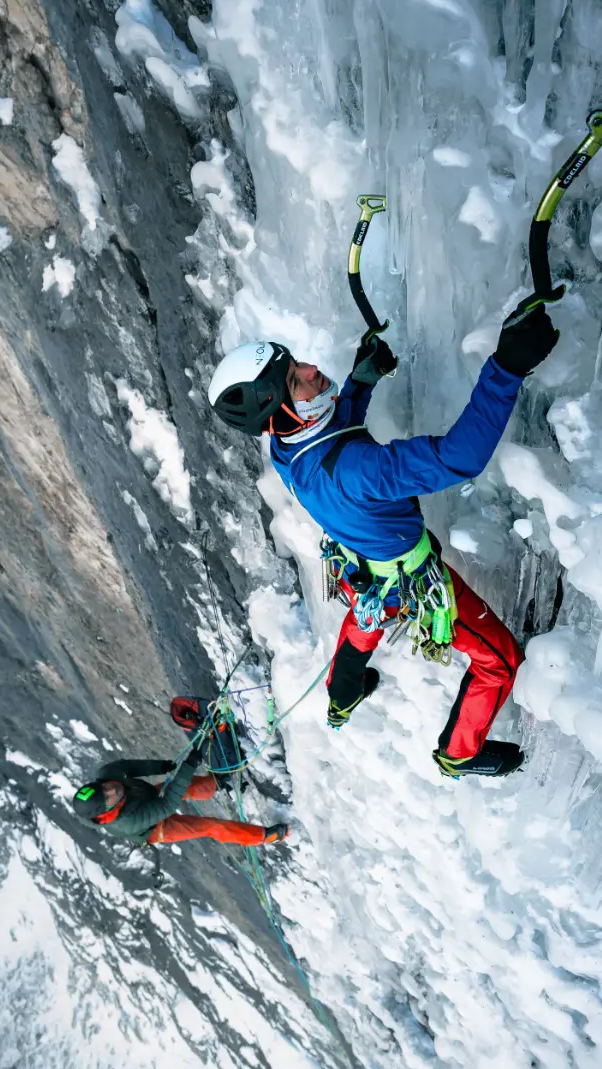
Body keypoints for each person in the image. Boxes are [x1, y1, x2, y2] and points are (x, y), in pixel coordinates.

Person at [206, 303, 557, 777]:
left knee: (363, 624)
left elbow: (334, 428)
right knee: (499, 660)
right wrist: (506, 368)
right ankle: (460, 753)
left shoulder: (286, 446)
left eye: (296, 365)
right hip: (410, 581)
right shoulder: (357, 470)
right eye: (295, 380)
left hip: (362, 569)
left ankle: (342, 697)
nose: (311, 370)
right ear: (280, 411)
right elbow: (459, 457)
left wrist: (361, 381)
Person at [72, 698, 290, 847]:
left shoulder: (108, 774)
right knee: (211, 826)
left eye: (104, 787)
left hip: (144, 796)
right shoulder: (127, 822)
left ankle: (221, 783)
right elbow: (167, 806)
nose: (112, 788)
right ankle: (264, 837)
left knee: (189, 784)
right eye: (109, 795)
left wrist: (162, 767)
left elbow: (131, 767)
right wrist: (188, 766)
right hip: (156, 827)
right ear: (106, 810)